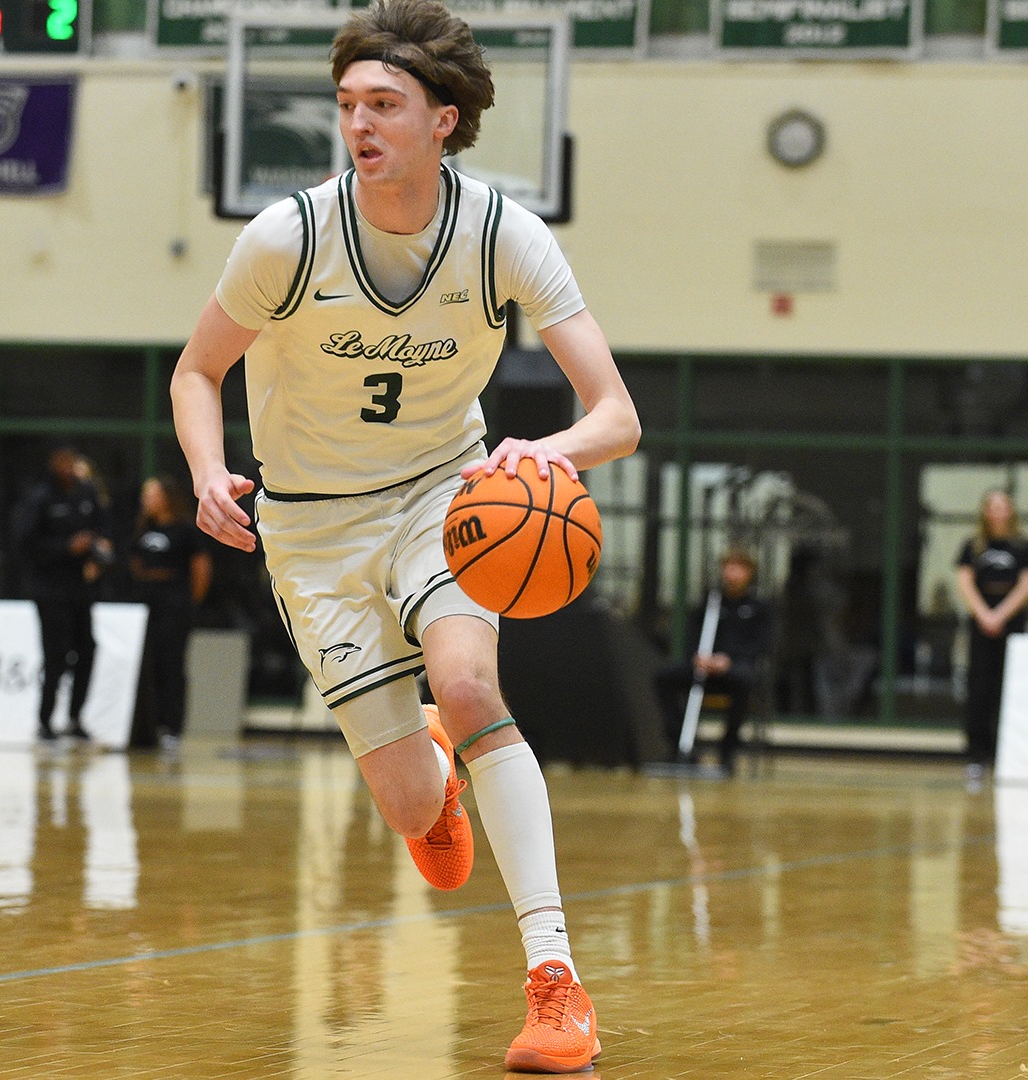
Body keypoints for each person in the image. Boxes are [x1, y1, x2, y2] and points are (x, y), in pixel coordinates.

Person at [169, 2, 639, 1068]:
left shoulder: (503, 235)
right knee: (415, 806)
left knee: (471, 686)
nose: (360, 124)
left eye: (385, 104)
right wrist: (207, 472)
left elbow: (618, 413)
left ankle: (556, 984)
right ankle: (426, 773)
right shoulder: (286, 236)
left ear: (446, 119)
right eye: (348, 106)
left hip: (444, 494)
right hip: (311, 532)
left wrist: (544, 454)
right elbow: (197, 369)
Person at [12, 445, 113, 741]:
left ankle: (75, 717)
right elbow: (26, 544)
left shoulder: (87, 494)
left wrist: (98, 554)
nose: (70, 468)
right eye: (64, 463)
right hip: (50, 590)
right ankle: (45, 720)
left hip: (82, 589)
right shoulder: (40, 498)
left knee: (87, 650)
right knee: (55, 655)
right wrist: (66, 547)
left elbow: (104, 530)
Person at [655, 550, 772, 765]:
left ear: (750, 572)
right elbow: (692, 635)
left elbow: (761, 645)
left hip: (734, 671)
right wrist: (698, 657)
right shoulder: (710, 603)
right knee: (664, 678)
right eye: (728, 566)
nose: (732, 573)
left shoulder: (758, 608)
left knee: (745, 682)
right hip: (704, 668)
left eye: (739, 567)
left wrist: (728, 661)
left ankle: (728, 750)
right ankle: (680, 744)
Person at [955, 490, 1028, 769]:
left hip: (1011, 621)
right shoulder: (973, 546)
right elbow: (965, 582)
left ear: (1011, 512)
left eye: (1004, 506)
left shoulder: (1023, 547)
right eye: (994, 506)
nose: (999, 511)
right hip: (982, 622)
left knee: (1008, 685)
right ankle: (976, 750)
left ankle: (1006, 750)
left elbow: (1027, 584)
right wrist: (985, 615)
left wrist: (1002, 614)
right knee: (979, 685)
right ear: (986, 512)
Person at [128, 476, 210, 751]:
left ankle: (171, 726)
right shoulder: (143, 529)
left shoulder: (185, 530)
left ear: (165, 497)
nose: (146, 500)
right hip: (146, 603)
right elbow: (134, 562)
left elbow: (201, 568)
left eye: (150, 494)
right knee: (147, 664)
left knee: (171, 664)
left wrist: (189, 601)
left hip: (174, 603)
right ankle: (146, 726)